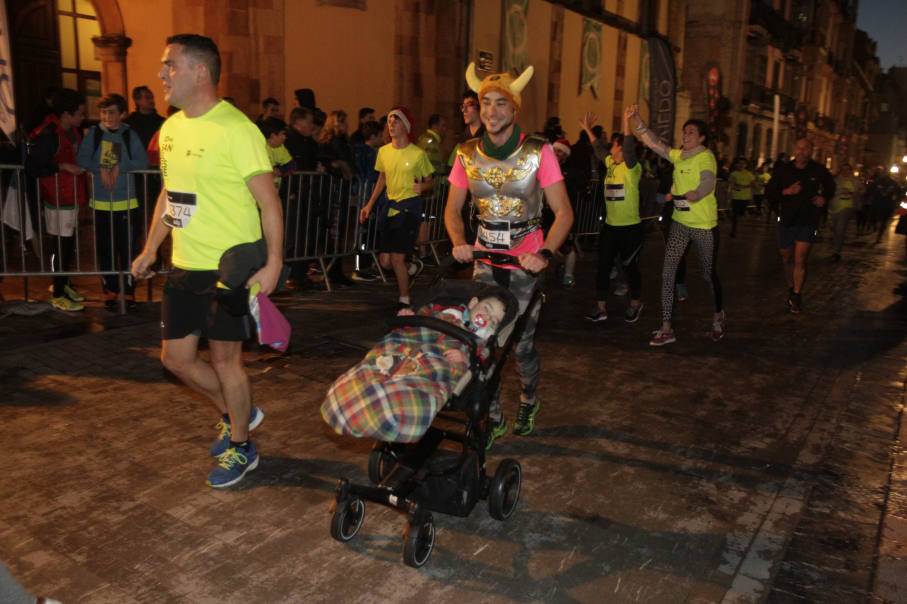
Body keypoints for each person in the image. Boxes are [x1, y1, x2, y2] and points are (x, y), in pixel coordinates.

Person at [131, 34, 284, 488]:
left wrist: (274, 263)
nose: (160, 73)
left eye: (169, 65)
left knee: (224, 362)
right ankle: (239, 411)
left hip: (228, 269)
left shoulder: (237, 129)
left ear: (200, 71)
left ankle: (241, 446)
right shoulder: (173, 127)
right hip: (184, 265)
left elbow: (269, 203)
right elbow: (170, 194)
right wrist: (150, 246)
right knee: (175, 359)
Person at [444, 63, 573, 447]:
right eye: (486, 103)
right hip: (485, 261)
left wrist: (545, 253)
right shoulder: (466, 153)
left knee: (521, 346)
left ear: (515, 108)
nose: (492, 111)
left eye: (501, 103)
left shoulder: (538, 152)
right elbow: (452, 209)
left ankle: (529, 398)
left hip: (525, 264)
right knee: (483, 345)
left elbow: (564, 212)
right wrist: (458, 241)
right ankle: (494, 417)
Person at [321, 290, 509, 443]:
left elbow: (481, 362)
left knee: (421, 378)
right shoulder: (444, 310)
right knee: (381, 363)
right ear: (473, 302)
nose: (486, 317)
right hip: (411, 344)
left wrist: (466, 358)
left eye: (493, 320)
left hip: (439, 358)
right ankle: (360, 390)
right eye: (486, 308)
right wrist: (407, 318)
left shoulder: (482, 339)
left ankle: (398, 406)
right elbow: (416, 321)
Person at [629, 104, 726, 345]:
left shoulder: (706, 157)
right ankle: (666, 328)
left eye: (691, 132)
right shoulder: (678, 156)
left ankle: (718, 315)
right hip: (680, 225)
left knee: (706, 274)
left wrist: (699, 193)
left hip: (704, 227)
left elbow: (708, 181)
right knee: (668, 274)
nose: (685, 135)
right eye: (684, 132)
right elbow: (654, 143)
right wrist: (638, 120)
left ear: (702, 137)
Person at [76, 92, 149, 310]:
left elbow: (142, 160)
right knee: (105, 249)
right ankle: (110, 289)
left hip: (126, 202)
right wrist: (100, 168)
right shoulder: (93, 134)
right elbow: (82, 159)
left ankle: (128, 290)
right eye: (103, 112)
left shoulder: (129, 135)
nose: (107, 116)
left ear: (122, 114)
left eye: (112, 112)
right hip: (100, 202)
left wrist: (120, 166)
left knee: (127, 249)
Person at [359, 107, 434, 309]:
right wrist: (369, 204)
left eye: (396, 121)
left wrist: (423, 186)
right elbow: (382, 179)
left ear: (406, 126)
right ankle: (412, 268)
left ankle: (404, 301)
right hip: (389, 208)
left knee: (396, 258)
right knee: (385, 262)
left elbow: (431, 182)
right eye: (389, 121)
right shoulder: (383, 152)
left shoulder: (418, 154)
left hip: (409, 208)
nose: (391, 125)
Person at [25, 88, 88, 311]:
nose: (83, 117)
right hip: (58, 197)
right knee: (60, 246)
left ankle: (63, 283)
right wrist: (62, 166)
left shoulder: (72, 132)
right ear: (66, 114)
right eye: (79, 113)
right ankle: (58, 291)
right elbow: (33, 167)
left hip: (71, 195)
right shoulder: (50, 134)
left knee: (68, 244)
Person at [580, 109, 644, 323]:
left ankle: (635, 303)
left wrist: (627, 122)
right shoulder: (610, 165)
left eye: (614, 145)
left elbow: (628, 146)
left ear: (621, 148)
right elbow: (598, 149)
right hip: (610, 227)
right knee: (603, 266)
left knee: (629, 268)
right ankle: (601, 308)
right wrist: (588, 131)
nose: (612, 147)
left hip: (631, 229)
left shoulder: (632, 168)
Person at [765, 138, 835, 314]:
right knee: (786, 257)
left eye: (805, 148)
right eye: (798, 148)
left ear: (811, 151)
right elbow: (770, 192)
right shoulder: (784, 170)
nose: (801, 151)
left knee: (800, 258)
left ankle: (796, 295)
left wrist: (823, 198)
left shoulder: (818, 170)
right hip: (787, 219)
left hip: (808, 220)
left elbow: (830, 187)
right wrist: (786, 192)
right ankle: (791, 287)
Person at [828, 162, 862, 261]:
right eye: (843, 169)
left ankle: (836, 251)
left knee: (840, 228)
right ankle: (836, 245)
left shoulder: (855, 181)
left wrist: (851, 193)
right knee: (835, 228)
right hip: (835, 206)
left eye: (847, 169)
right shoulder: (836, 180)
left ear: (851, 171)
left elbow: (860, 191)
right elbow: (831, 191)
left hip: (847, 206)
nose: (845, 171)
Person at [259, 117, 295, 190]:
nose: (285, 137)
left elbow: (292, 165)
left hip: (274, 191)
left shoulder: (280, 147)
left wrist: (280, 170)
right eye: (282, 134)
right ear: (273, 135)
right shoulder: (259, 146)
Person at [728, 157, 755, 238]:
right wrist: (734, 186)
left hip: (745, 198)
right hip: (736, 197)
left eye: (743, 164)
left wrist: (745, 186)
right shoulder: (734, 174)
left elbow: (754, 184)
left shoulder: (749, 174)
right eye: (740, 163)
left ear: (746, 165)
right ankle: (733, 231)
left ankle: (740, 229)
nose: (741, 165)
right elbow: (730, 184)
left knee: (741, 214)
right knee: (735, 215)